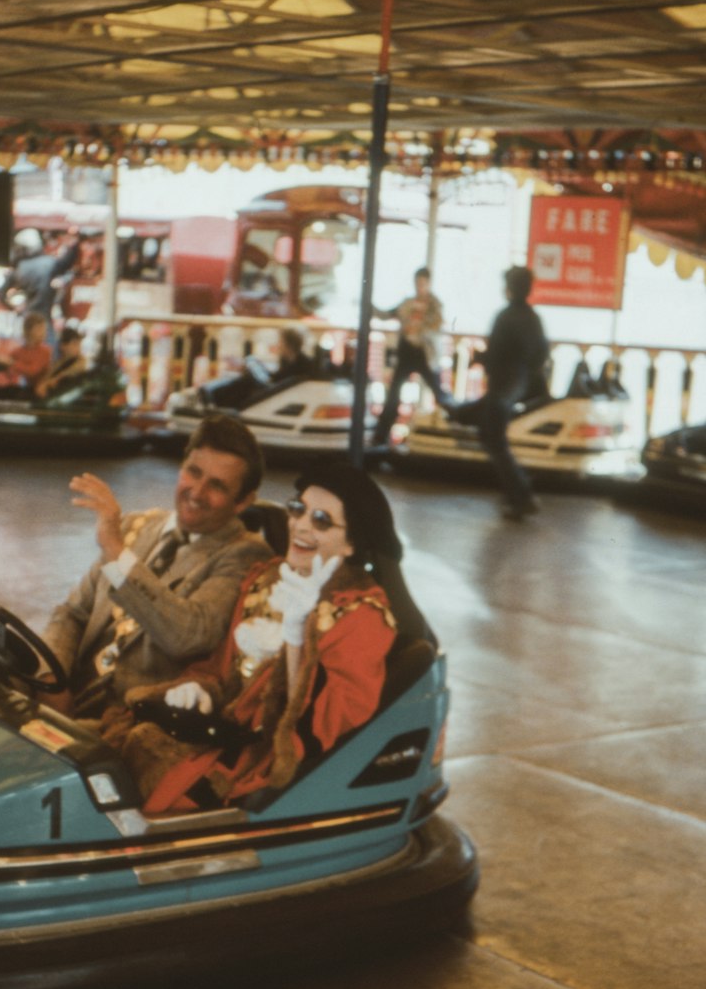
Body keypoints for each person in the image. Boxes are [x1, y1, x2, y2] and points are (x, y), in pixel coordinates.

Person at [112, 463, 400, 815]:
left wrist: (297, 633)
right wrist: (201, 689)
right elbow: (219, 668)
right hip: (216, 733)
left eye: (322, 520)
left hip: (258, 764)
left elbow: (325, 724)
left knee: (131, 795)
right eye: (298, 510)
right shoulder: (264, 578)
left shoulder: (363, 617)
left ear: (351, 544)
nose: (302, 525)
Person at [39, 413, 268, 716]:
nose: (197, 493)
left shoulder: (244, 554)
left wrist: (117, 552)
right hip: (68, 691)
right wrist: (49, 679)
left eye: (217, 486)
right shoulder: (137, 525)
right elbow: (73, 613)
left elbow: (188, 636)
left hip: (125, 717)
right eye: (193, 472)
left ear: (242, 502)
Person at [449, 265, 550, 520]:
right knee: (491, 435)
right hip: (518, 386)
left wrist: (480, 358)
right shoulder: (533, 318)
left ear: (509, 288)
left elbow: (494, 354)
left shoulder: (504, 317)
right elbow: (541, 354)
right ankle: (516, 492)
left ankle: (522, 495)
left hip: (501, 387)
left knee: (494, 440)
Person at [371, 266, 450, 446]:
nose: (419, 287)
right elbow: (386, 314)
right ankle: (380, 437)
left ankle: (456, 424)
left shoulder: (435, 306)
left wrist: (420, 330)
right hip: (407, 352)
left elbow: (436, 326)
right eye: (417, 283)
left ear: (428, 284)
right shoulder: (407, 303)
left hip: (424, 353)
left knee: (438, 392)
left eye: (422, 283)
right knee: (394, 396)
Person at [0, 229, 79, 342]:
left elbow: (0, 293)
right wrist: (74, 245)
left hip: (26, 323)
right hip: (44, 322)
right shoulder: (48, 263)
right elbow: (66, 263)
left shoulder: (19, 268)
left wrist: (14, 307)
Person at [0, 313, 53, 395]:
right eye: (39, 329)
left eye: (44, 329)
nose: (44, 333)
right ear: (29, 330)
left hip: (39, 391)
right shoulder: (17, 351)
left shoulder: (45, 351)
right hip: (23, 390)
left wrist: (10, 362)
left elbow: (32, 371)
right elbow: (9, 371)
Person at [33, 326, 87, 399]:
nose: (79, 347)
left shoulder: (79, 361)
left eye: (79, 344)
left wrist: (49, 383)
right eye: (75, 344)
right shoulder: (59, 362)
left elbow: (70, 373)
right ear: (63, 346)